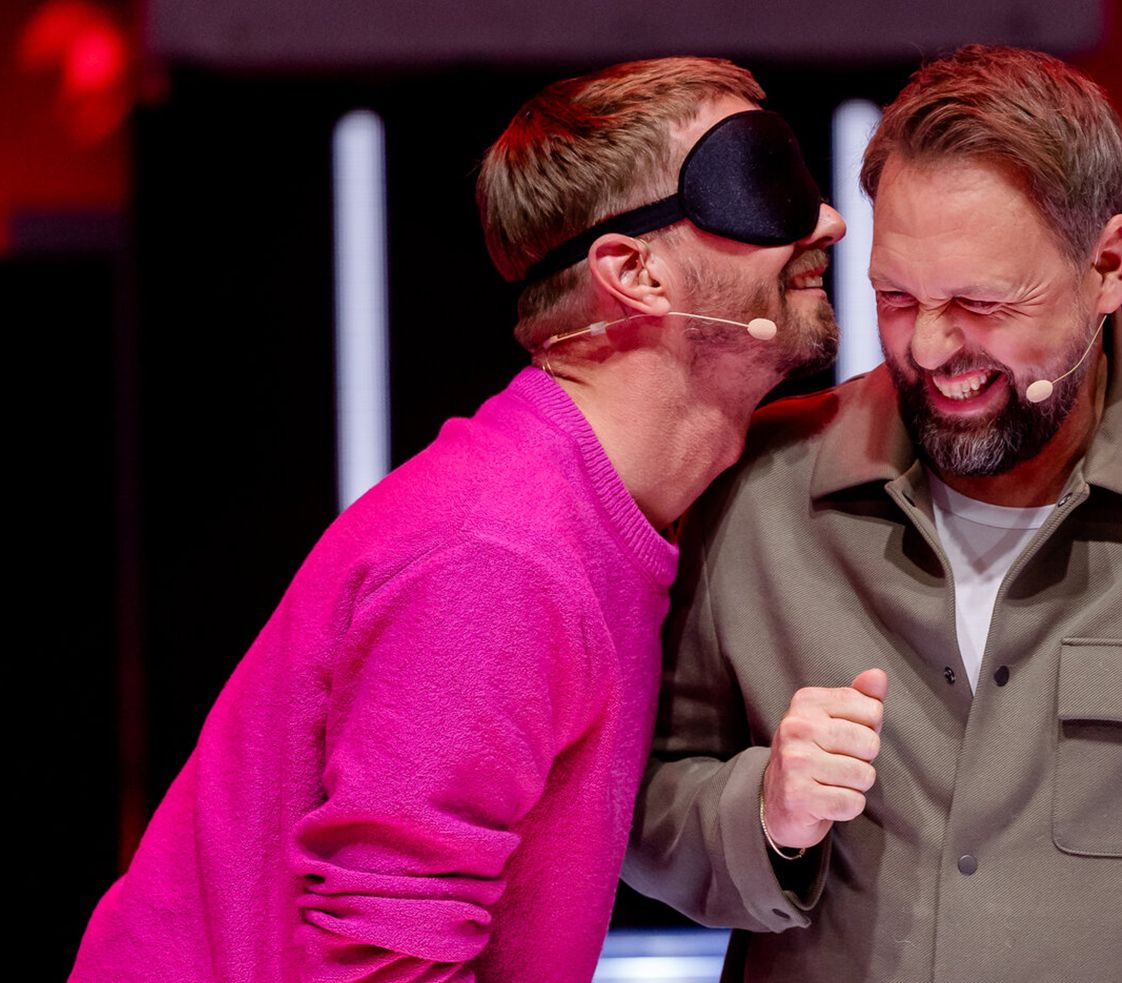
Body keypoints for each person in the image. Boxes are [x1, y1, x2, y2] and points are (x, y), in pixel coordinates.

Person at [624, 45, 1122, 982]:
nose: (933, 347)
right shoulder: (759, 487)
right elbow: (638, 806)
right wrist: (763, 811)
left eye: (983, 302)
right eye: (897, 297)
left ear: (1108, 266)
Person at [73, 56, 844, 981]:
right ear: (634, 271)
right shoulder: (504, 551)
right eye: (762, 185)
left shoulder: (593, 517)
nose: (828, 220)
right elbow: (379, 963)